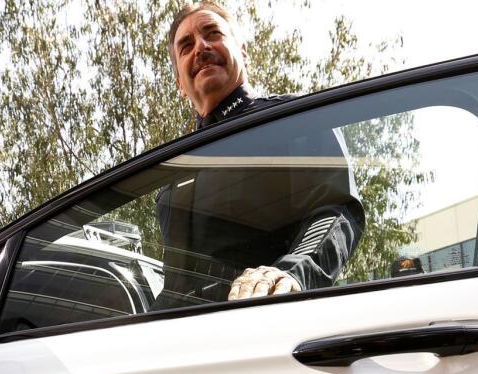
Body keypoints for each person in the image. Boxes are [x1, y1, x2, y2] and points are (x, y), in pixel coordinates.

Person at [155, 2, 364, 305]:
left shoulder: (292, 120)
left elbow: (336, 211)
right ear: (179, 84)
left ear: (243, 53)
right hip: (192, 343)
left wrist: (291, 274)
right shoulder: (172, 176)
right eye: (185, 46)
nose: (200, 47)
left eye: (212, 33)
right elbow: (175, 287)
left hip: (272, 321)